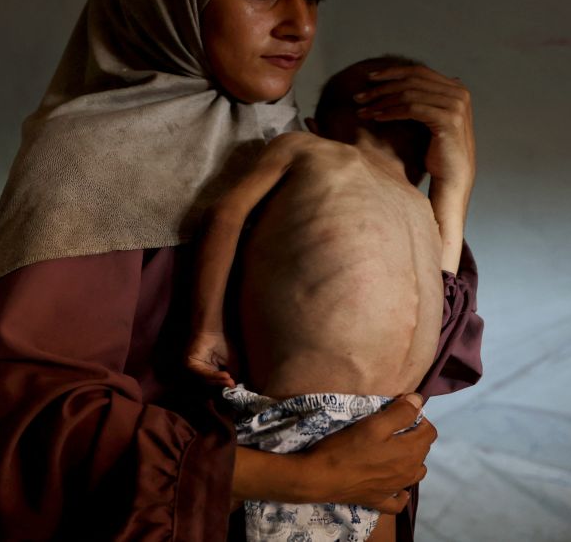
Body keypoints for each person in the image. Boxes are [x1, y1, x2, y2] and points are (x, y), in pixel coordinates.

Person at [0, 0, 483, 541]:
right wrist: (301, 479)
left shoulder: (298, 147)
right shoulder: (90, 156)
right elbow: (16, 410)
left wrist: (452, 185)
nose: (298, 25)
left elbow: (405, 360)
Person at [186, 55, 465, 542]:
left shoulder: (418, 202)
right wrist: (208, 327)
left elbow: (447, 284)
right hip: (298, 421)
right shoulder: (308, 151)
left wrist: (455, 181)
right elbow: (226, 215)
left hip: (387, 430)